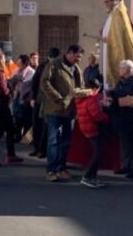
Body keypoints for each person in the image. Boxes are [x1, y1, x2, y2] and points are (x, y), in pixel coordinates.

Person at [41, 44, 88, 182]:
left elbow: (80, 87)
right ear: (69, 53)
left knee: (66, 141)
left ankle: (62, 168)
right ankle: (51, 170)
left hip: (70, 110)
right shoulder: (54, 65)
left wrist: (86, 93)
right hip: (55, 109)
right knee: (53, 141)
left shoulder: (76, 69)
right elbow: (44, 82)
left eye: (80, 58)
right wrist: (58, 98)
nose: (78, 60)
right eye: (77, 57)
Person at [100, 0, 133, 90]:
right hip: (108, 46)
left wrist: (108, 38)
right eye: (104, 2)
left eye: (107, 2)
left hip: (116, 49)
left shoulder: (119, 13)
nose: (105, 4)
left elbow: (119, 36)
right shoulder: (113, 12)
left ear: (114, 0)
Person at [76, 78, 110, 188]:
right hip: (92, 127)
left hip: (86, 126)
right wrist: (106, 118)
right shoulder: (91, 98)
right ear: (95, 88)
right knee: (98, 152)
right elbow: (96, 114)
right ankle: (87, 176)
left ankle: (92, 177)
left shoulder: (82, 97)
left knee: (98, 151)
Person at [108, 59, 133, 179]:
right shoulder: (120, 81)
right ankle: (125, 166)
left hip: (129, 117)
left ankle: (132, 168)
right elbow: (117, 94)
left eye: (121, 68)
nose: (119, 70)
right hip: (120, 116)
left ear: (127, 70)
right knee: (123, 143)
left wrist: (117, 98)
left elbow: (130, 97)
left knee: (130, 143)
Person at [30, 47, 59, 158]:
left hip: (50, 101)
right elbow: (35, 82)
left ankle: (43, 150)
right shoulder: (42, 66)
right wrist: (32, 98)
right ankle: (36, 148)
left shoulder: (58, 67)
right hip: (39, 99)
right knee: (36, 124)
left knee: (46, 126)